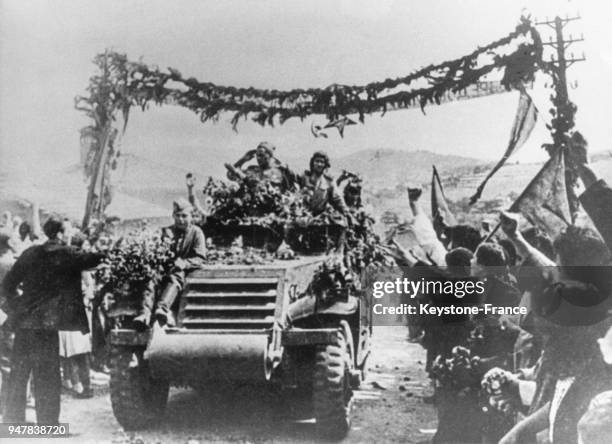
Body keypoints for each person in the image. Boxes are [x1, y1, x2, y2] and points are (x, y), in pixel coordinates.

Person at [2, 216, 104, 423]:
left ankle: (13, 423)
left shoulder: (29, 253)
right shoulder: (66, 253)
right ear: (59, 234)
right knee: (47, 375)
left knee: (19, 374)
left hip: (23, 324)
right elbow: (93, 258)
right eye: (67, 231)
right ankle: (47, 424)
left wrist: (17, 308)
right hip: (47, 326)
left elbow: (7, 286)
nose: (70, 235)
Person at [134, 199, 206, 328]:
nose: (181, 220)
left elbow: (200, 257)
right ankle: (144, 313)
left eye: (184, 216)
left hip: (179, 270)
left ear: (191, 217)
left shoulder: (196, 233)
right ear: (173, 216)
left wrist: (185, 263)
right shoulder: (166, 231)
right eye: (177, 216)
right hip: (164, 268)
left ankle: (162, 309)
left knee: (175, 276)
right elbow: (156, 251)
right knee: (150, 276)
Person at [225, 141, 294, 192]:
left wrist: (245, 178)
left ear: (269, 156)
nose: (258, 158)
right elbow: (230, 175)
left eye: (261, 155)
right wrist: (242, 160)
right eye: (257, 155)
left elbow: (264, 188)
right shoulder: (252, 170)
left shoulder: (276, 172)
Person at [296, 151, 348, 217]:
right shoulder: (304, 177)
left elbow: (337, 199)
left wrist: (346, 213)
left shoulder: (329, 182)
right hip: (301, 215)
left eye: (322, 162)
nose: (319, 164)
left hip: (319, 218)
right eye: (317, 161)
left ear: (325, 165)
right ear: (312, 163)